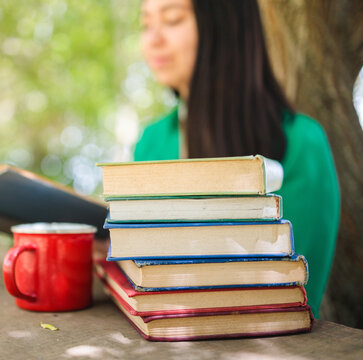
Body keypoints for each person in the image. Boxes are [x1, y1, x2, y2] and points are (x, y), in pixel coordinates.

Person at [134, 0, 340, 318]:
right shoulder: (151, 143)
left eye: (173, 20)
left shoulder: (302, 143)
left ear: (225, 25)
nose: (152, 39)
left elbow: (289, 294)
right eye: (146, 24)